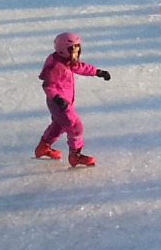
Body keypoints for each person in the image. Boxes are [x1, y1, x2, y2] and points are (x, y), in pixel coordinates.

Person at [35, 32, 109, 168]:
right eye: (73, 50)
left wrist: (97, 72)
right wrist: (58, 99)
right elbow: (48, 85)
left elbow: (79, 67)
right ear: (63, 50)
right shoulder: (57, 66)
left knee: (59, 125)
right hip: (59, 102)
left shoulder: (66, 61)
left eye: (77, 49)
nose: (76, 53)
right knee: (75, 127)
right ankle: (75, 156)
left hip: (61, 101)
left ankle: (43, 147)